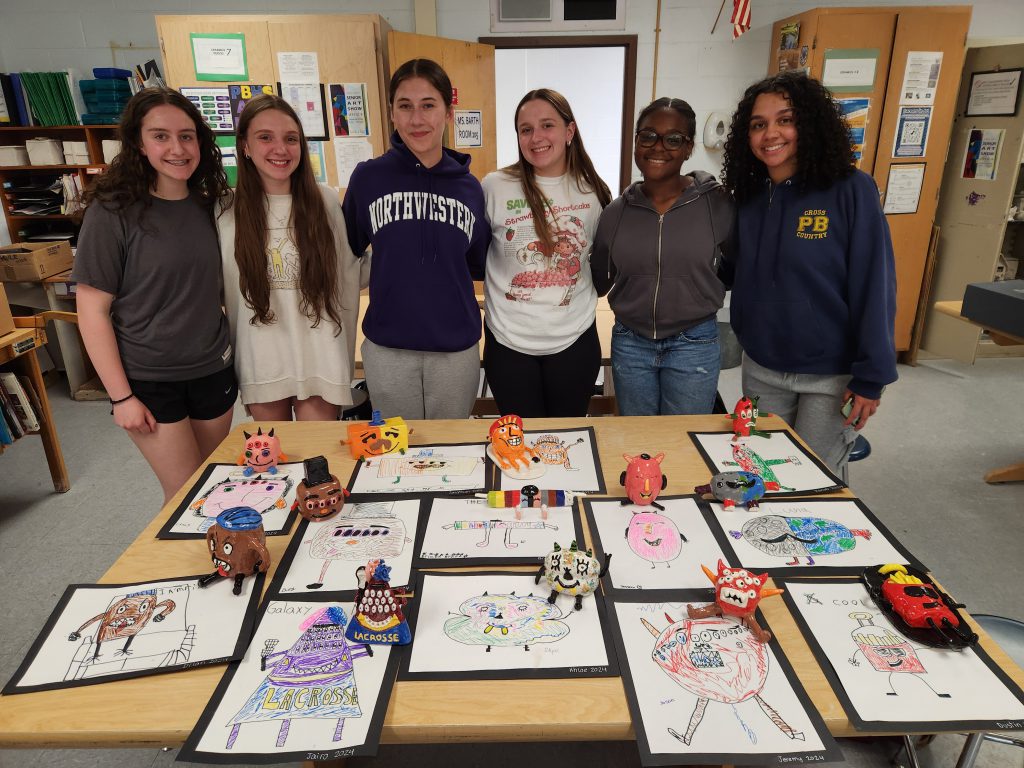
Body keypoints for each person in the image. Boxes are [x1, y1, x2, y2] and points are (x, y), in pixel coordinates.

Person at [721, 71, 898, 473]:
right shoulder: (747, 197)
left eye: (786, 120)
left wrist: (872, 376)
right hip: (763, 367)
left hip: (830, 374)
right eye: (758, 124)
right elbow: (731, 271)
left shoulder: (851, 189)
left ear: (810, 124)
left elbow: (876, 285)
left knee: (815, 481)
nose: (771, 134)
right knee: (764, 472)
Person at [73, 87, 235, 504]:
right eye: (161, 136)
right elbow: (92, 310)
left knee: (214, 486)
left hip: (211, 369)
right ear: (139, 144)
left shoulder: (212, 206)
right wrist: (121, 397)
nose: (177, 148)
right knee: (183, 496)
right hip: (149, 379)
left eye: (187, 135)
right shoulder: (112, 213)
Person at [342, 58, 488, 420]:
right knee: (397, 457)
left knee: (453, 454)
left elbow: (475, 263)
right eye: (405, 106)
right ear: (391, 113)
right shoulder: (367, 179)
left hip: (455, 350)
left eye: (428, 106)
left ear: (448, 113)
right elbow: (348, 250)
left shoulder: (470, 188)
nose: (417, 119)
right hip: (389, 348)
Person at [219, 94, 362, 422]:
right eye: (265, 137)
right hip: (262, 358)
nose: (280, 149)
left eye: (291, 139)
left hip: (321, 355)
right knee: (276, 462)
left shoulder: (325, 203)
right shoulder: (225, 210)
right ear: (245, 146)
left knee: (320, 462)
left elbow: (349, 270)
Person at [591, 97, 734, 415]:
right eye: (648, 135)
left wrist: (698, 289)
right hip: (631, 342)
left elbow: (734, 265)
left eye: (673, 139)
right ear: (636, 141)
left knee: (685, 441)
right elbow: (600, 279)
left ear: (688, 148)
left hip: (693, 343)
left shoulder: (718, 204)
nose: (658, 146)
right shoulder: (616, 212)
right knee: (639, 442)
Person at [482, 88, 611, 417]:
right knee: (520, 447)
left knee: (567, 441)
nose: (536, 137)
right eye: (526, 129)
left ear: (569, 131)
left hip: (574, 342)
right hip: (508, 344)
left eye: (547, 125)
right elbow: (474, 257)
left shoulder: (593, 192)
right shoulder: (494, 186)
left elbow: (603, 264)